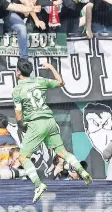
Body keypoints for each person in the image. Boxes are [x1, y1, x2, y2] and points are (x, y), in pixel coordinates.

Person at [12, 58, 92, 203]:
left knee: (23, 157)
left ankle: (38, 184)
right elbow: (60, 82)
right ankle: (82, 171)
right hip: (50, 121)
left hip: (36, 123)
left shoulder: (17, 90)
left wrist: (21, 125)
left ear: (18, 71)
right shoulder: (40, 80)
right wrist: (50, 67)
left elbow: (18, 114)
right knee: (62, 152)